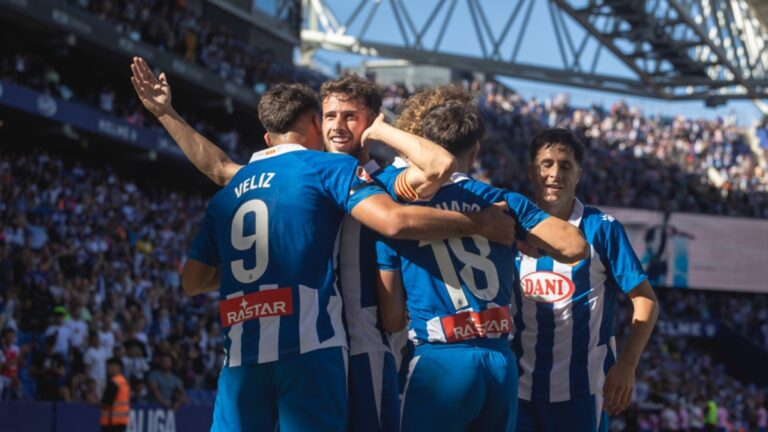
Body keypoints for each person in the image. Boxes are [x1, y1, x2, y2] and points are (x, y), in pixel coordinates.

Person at [129, 58, 508, 431]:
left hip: (364, 347)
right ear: (315, 123)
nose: (337, 126)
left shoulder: (387, 179)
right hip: (314, 348)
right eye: (329, 116)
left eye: (350, 116)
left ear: (372, 120)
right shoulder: (311, 174)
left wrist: (383, 132)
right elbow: (220, 168)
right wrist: (167, 114)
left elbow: (438, 165)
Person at [373, 98, 589, 431]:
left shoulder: (397, 205)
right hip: (498, 363)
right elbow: (576, 246)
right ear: (474, 153)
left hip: (439, 360)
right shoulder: (504, 203)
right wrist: (527, 240)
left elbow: (390, 318)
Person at [513, 128, 660, 432]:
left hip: (582, 392)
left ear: (578, 174)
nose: (555, 173)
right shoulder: (507, 227)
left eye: (565, 166)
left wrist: (627, 365)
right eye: (547, 164)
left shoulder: (602, 229)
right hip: (517, 390)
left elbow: (645, 300)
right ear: (531, 171)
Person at [100, 357, 131, 432]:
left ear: (118, 367)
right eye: (108, 366)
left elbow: (106, 402)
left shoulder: (113, 382)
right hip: (122, 422)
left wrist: (92, 402)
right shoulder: (124, 382)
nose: (108, 368)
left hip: (111, 422)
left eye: (111, 366)